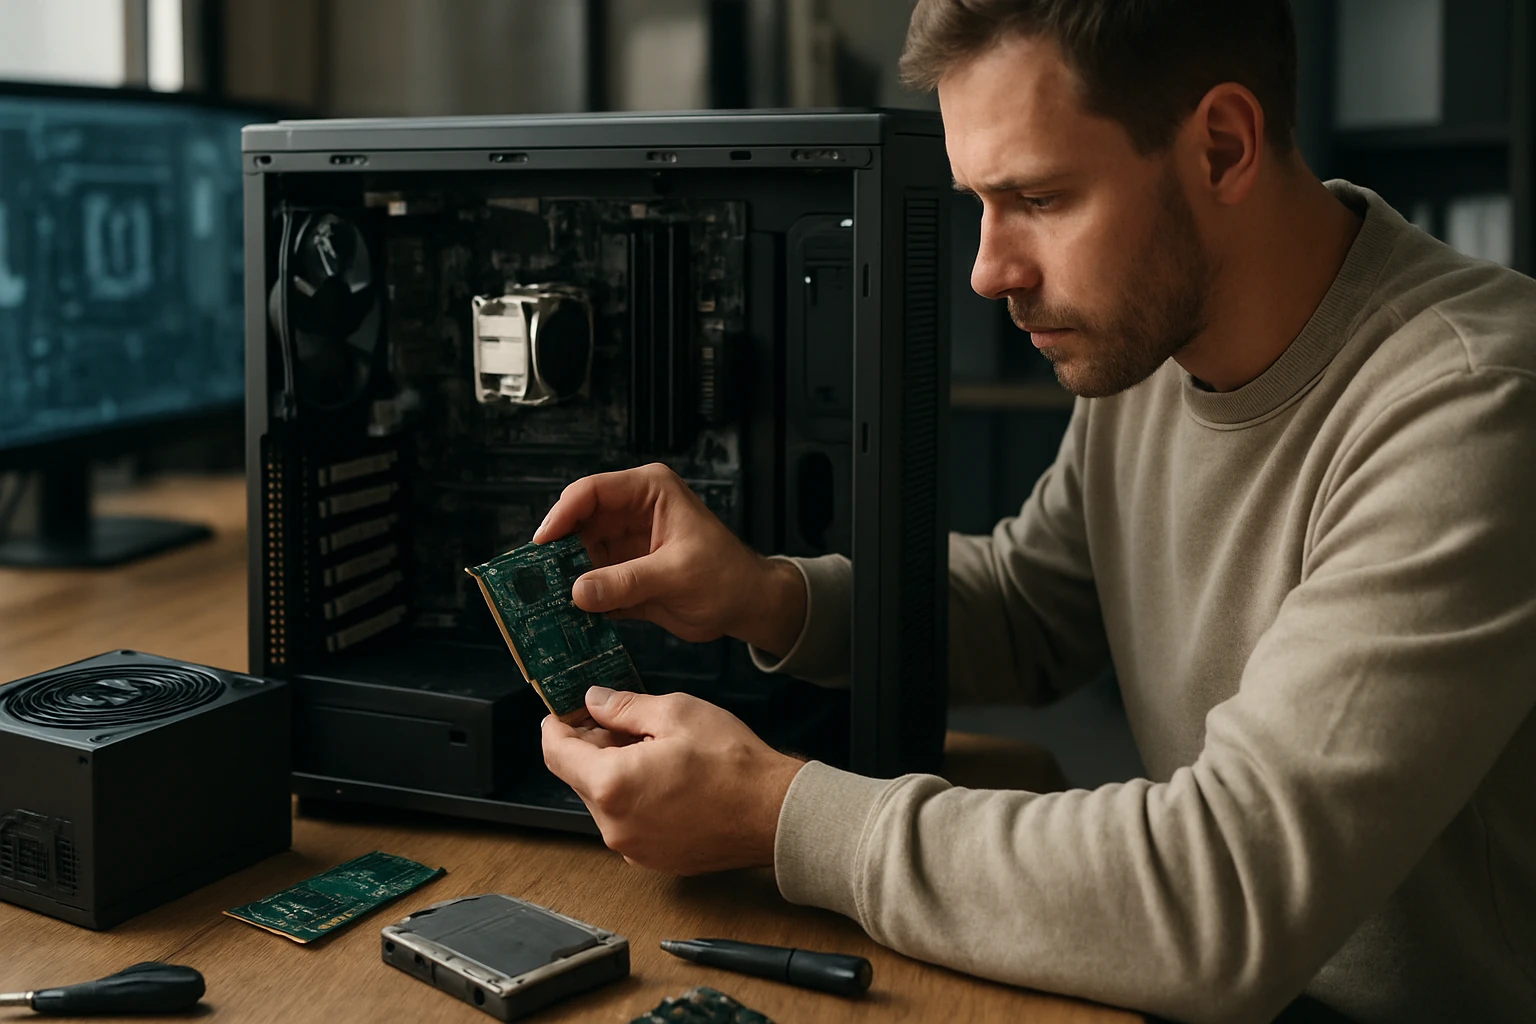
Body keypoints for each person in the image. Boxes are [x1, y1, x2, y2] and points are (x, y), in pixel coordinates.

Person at [533, 2, 1536, 1021]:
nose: (985, 269)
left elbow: (1225, 891)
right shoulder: (1157, 342)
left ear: (1221, 147)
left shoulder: (1476, 403)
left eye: (1041, 198)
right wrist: (766, 595)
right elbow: (1032, 605)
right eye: (978, 201)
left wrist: (780, 814)